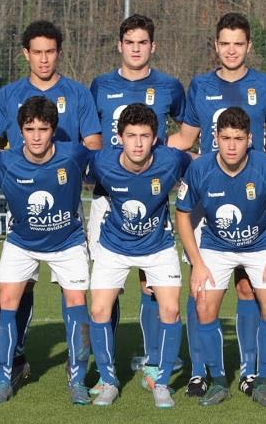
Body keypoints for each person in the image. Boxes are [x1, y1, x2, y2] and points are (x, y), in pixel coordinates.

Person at [168, 12, 266, 398]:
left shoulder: (265, 84)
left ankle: (254, 372)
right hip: (208, 197)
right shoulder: (200, 85)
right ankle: (202, 371)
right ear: (216, 46)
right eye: (225, 43)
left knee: (251, 291)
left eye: (239, 43)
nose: (232, 50)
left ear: (248, 46)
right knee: (200, 289)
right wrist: (143, 153)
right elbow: (186, 138)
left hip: (252, 196)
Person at [0, 20, 102, 387]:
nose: (44, 59)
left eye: (50, 52)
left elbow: (93, 147)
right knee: (20, 287)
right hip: (22, 208)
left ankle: (75, 366)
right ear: (26, 54)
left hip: (65, 207)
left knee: (73, 288)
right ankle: (15, 361)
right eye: (37, 52)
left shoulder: (78, 94)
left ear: (59, 53)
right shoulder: (9, 94)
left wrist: (69, 170)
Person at [89, 13, 186, 383]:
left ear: (152, 47)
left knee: (153, 281)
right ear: (119, 46)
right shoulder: (99, 84)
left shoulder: (169, 86)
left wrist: (164, 161)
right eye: (129, 42)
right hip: (107, 194)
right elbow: (90, 134)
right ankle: (106, 365)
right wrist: (106, 165)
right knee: (105, 286)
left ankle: (154, 357)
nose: (135, 49)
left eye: (142, 43)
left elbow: (186, 132)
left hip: (153, 197)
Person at [176, 107, 266, 407]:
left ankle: (262, 381)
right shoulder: (200, 168)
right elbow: (182, 214)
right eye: (225, 138)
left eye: (238, 138)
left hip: (261, 243)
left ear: (250, 139)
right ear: (215, 138)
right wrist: (198, 263)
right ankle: (217, 381)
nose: (231, 145)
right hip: (215, 245)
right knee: (202, 303)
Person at [0, 96, 92, 404]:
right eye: (29, 129)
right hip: (22, 242)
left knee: (76, 300)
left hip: (68, 241)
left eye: (43, 129)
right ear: (20, 131)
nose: (36, 136)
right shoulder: (6, 161)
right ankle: (5, 377)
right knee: (7, 299)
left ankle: (78, 378)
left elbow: (108, 166)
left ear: (53, 130)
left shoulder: (74, 154)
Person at [87, 103, 191, 408]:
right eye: (131, 135)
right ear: (119, 137)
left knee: (170, 311)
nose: (138, 143)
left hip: (158, 246)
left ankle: (161, 383)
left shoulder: (171, 160)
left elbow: (202, 168)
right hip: (114, 246)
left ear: (156, 137)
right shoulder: (103, 163)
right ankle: (108, 381)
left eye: (144, 135)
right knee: (99, 311)